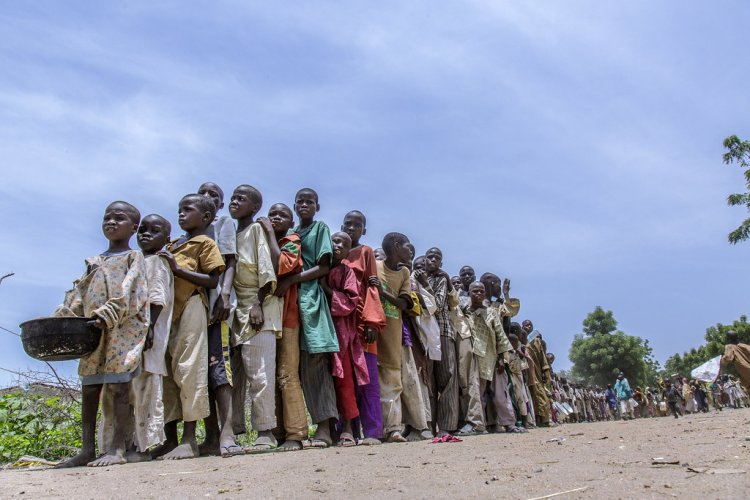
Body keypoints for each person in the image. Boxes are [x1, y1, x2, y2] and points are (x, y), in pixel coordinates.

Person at [55, 201, 149, 468]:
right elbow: (79, 295)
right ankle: (86, 450)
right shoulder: (94, 262)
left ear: (133, 227)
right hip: (92, 331)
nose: (111, 222)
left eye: (119, 218)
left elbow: (132, 292)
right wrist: (67, 316)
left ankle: (117, 448)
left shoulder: (134, 258)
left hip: (122, 330)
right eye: (107, 217)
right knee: (90, 386)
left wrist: (106, 314)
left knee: (119, 387)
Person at [99, 214, 174, 463]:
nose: (146, 234)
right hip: (126, 338)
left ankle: (143, 447)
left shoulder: (156, 262)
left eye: (155, 230)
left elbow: (156, 298)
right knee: (124, 390)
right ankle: (124, 444)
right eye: (143, 229)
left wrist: (149, 329)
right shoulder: (135, 260)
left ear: (167, 238)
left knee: (144, 389)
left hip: (146, 335)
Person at [158, 194, 225, 460]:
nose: (181, 214)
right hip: (167, 313)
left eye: (188, 210)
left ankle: (189, 439)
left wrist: (176, 269)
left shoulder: (205, 243)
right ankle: (169, 439)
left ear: (206, 217)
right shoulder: (172, 244)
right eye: (179, 209)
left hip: (192, 306)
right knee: (166, 374)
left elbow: (212, 280)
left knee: (190, 369)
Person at [275, 188, 338, 448]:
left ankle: (324, 428)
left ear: (317, 206)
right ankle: (297, 428)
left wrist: (293, 279)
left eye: (309, 201)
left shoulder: (319, 228)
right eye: (299, 201)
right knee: (292, 367)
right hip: (291, 302)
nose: (304, 205)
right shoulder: (292, 234)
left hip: (311, 298)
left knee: (316, 364)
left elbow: (324, 266)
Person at [226, 184, 282, 453]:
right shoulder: (228, 233)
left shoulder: (256, 230)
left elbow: (266, 267)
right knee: (234, 379)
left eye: (242, 198)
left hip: (258, 308)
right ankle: (235, 433)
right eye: (233, 197)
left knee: (261, 375)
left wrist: (258, 304)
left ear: (255, 207)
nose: (235, 201)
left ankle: (265, 431)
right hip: (234, 312)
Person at [259, 203, 307, 452]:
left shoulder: (291, 241)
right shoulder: (259, 240)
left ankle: (296, 433)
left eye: (282, 215)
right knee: (270, 373)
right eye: (272, 214)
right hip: (266, 317)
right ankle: (277, 430)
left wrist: (268, 232)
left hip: (287, 317)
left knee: (287, 373)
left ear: (291, 222)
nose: (275, 218)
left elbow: (283, 265)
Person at [197, 182, 240, 457]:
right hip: (195, 310)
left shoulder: (223, 223)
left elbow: (230, 260)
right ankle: (210, 434)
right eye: (204, 193)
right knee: (201, 372)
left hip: (217, 304)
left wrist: (224, 294)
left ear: (221, 205)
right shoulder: (189, 233)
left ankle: (227, 432)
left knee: (220, 367)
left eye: (214, 195)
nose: (208, 198)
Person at [374, 232, 429, 442]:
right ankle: (386, 428)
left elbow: (405, 304)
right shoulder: (375, 265)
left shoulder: (405, 272)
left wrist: (383, 293)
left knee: (394, 381)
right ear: (396, 246)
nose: (410, 250)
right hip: (374, 332)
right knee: (383, 382)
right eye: (407, 246)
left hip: (395, 333)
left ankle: (395, 428)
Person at [340, 210, 387, 445]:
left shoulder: (366, 252)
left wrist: (371, 320)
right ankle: (347, 430)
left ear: (363, 230)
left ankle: (372, 431)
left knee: (368, 378)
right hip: (341, 320)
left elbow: (371, 286)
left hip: (362, 321)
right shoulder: (337, 252)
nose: (351, 228)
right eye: (347, 223)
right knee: (345, 376)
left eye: (356, 225)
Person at [320, 231, 362, 447]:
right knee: (322, 377)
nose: (337, 246)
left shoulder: (347, 272)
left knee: (344, 379)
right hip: (318, 327)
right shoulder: (319, 265)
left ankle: (347, 428)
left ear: (348, 250)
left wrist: (326, 289)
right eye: (334, 241)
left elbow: (350, 301)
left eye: (343, 244)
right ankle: (326, 427)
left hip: (340, 331)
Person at [463, 282, 520, 433]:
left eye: (481, 291)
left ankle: (509, 423)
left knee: (500, 392)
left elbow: (501, 335)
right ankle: (478, 425)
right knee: (476, 392)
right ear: (469, 293)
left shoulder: (491, 312)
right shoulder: (464, 312)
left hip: (493, 356)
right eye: (475, 291)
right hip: (475, 355)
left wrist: (502, 358)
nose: (478, 294)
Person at [420, 247, 459, 436]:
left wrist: (425, 284)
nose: (433, 259)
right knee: (429, 380)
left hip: (443, 331)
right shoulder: (416, 277)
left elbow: (438, 305)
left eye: (437, 257)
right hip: (425, 333)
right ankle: (429, 425)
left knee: (447, 378)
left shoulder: (442, 279)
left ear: (441, 263)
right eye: (430, 256)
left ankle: (446, 426)